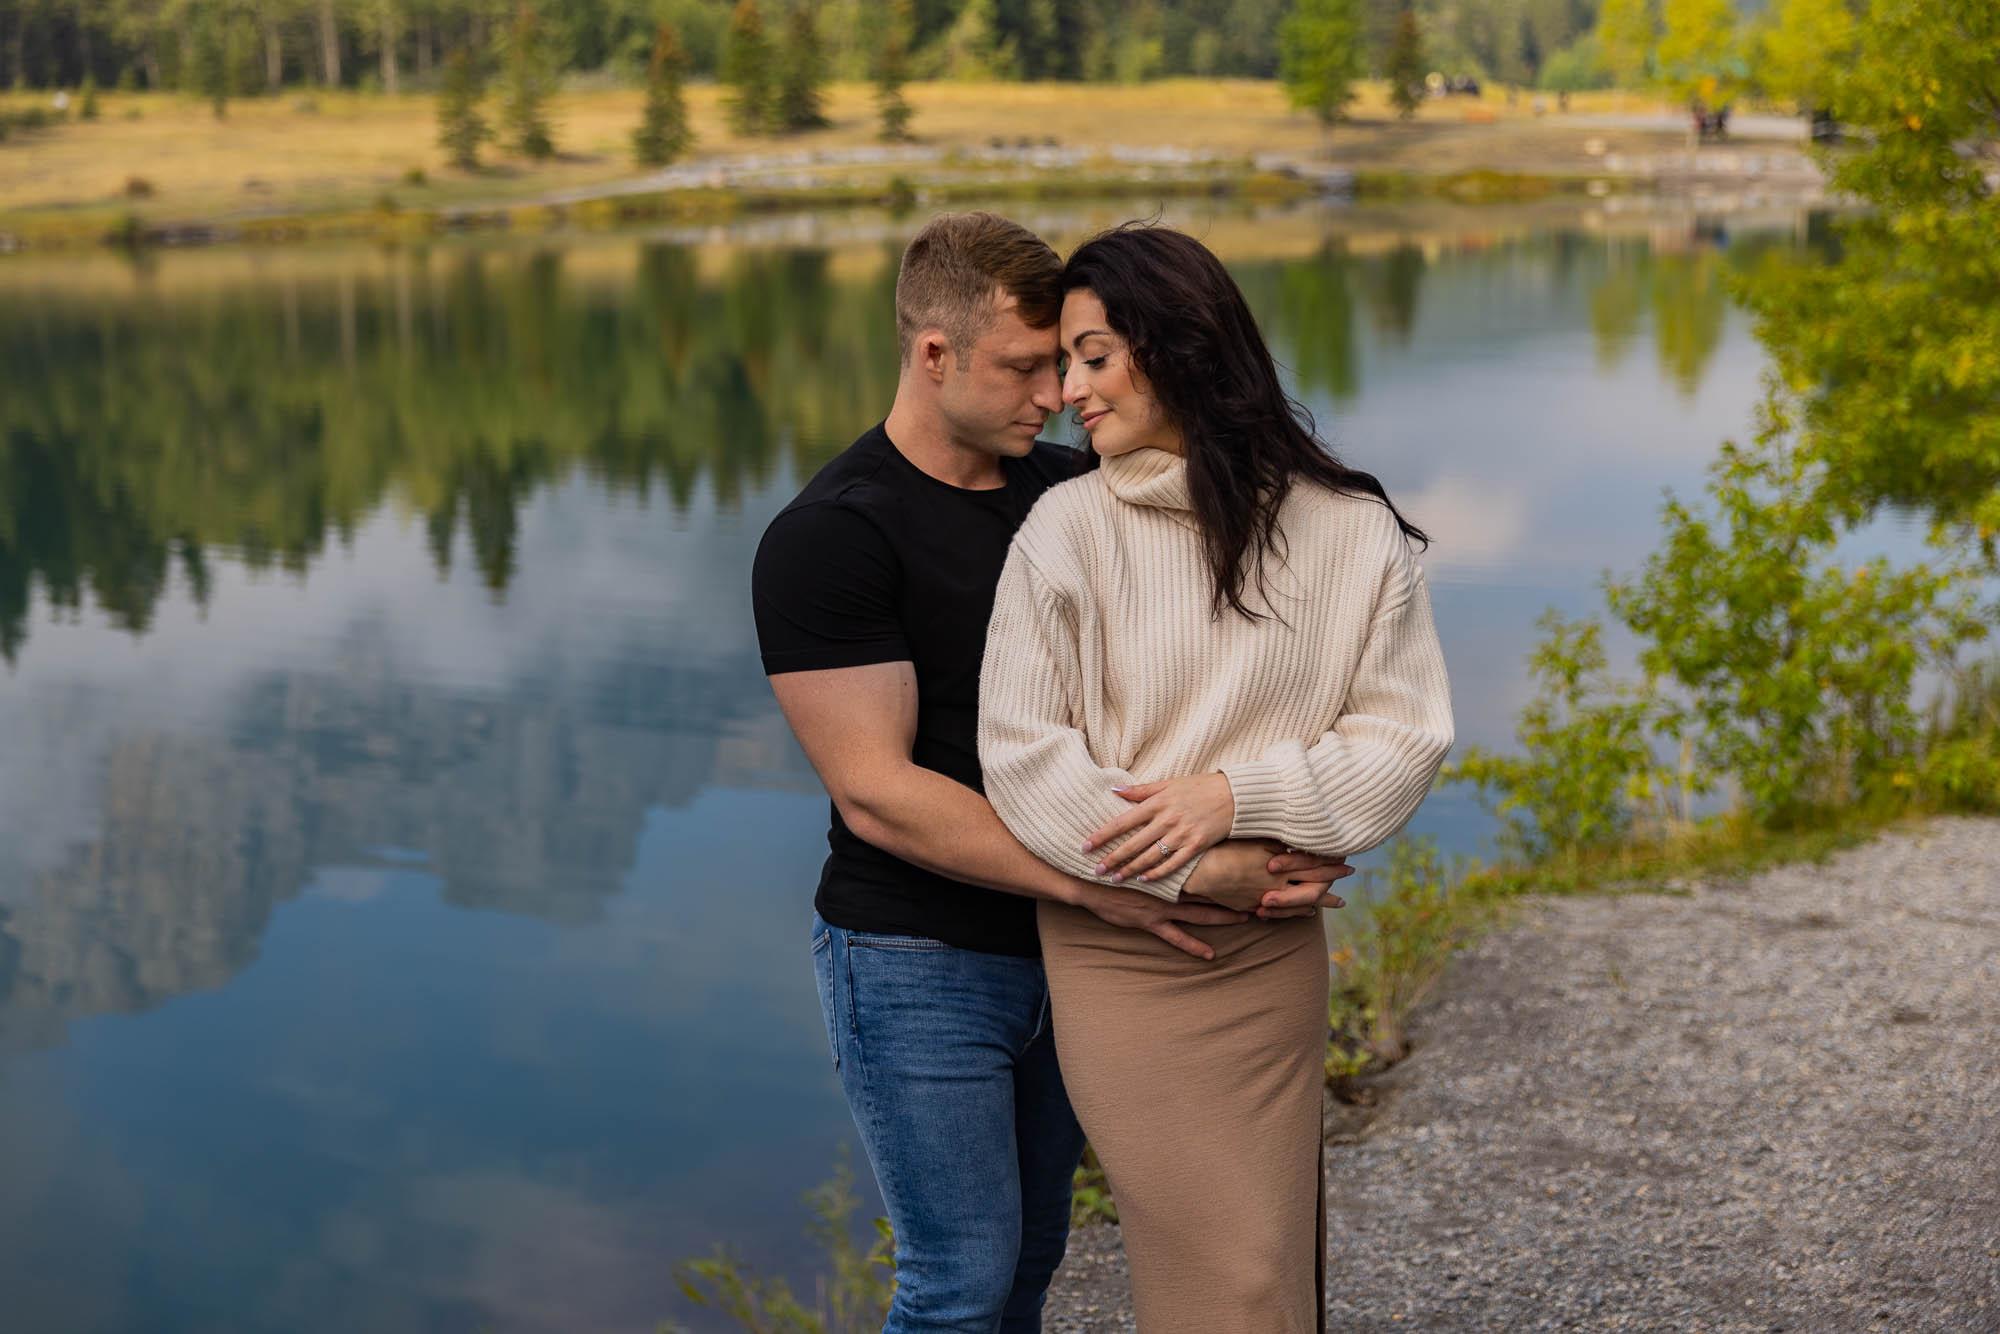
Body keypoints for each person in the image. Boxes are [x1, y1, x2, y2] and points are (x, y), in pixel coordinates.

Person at [750, 211, 1356, 1334]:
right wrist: (1115, 882)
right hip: (920, 957)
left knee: (1031, 1258)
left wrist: (1271, 797)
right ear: (932, 354)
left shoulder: (1070, 493)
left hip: (1079, 958)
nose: (1055, 394)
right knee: (958, 1281)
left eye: (1070, 361)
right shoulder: (833, 534)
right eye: (1025, 366)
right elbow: (876, 791)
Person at [978, 223, 1455, 1333]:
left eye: (1092, 355)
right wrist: (1196, 867)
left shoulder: (1348, 532)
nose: (1067, 392)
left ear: (1178, 344)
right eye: (1059, 364)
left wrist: (1230, 796)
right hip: (1128, 952)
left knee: (1273, 1265)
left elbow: (1401, 740)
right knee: (1225, 1271)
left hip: (1272, 954)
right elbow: (1022, 757)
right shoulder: (1063, 531)